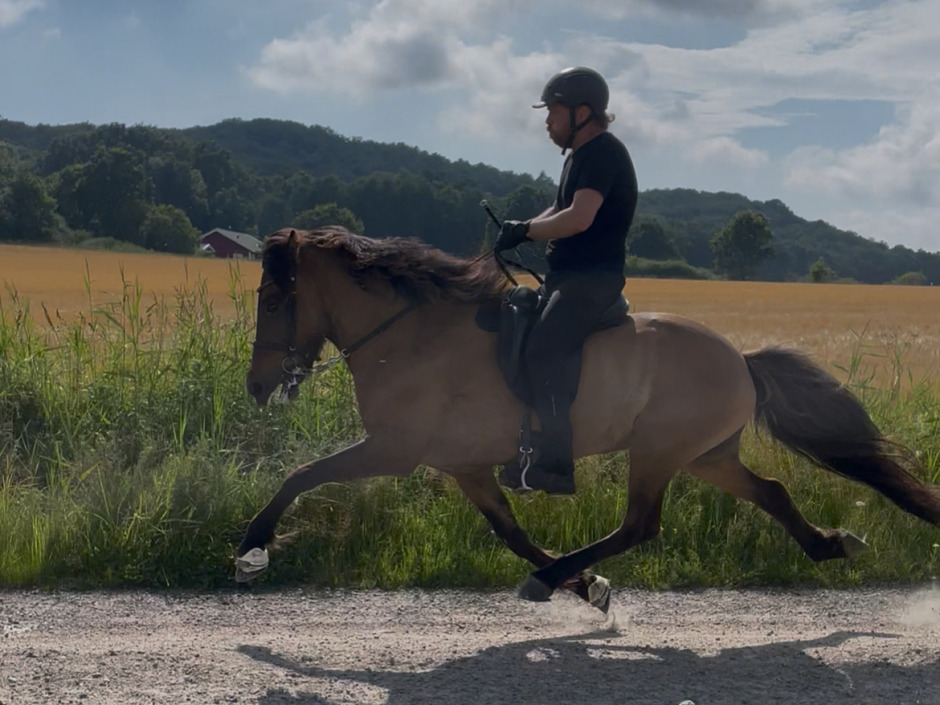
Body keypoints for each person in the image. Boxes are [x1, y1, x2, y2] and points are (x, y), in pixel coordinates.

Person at [494, 66, 638, 494]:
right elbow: (557, 210)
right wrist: (519, 226)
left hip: (592, 281)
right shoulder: (579, 155)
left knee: (545, 349)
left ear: (582, 111)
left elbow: (577, 219)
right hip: (568, 277)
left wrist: (527, 232)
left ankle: (556, 467)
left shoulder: (602, 154)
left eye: (553, 110)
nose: (547, 120)